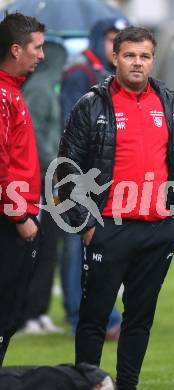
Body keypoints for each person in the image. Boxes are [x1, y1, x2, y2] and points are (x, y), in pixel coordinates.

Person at [58, 26, 174, 389]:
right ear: (115, 57)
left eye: (145, 56)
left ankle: (127, 386)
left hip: (156, 230)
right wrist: (86, 223)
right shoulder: (92, 104)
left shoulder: (169, 105)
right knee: (94, 318)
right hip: (107, 228)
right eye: (130, 55)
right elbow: (66, 169)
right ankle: (87, 384)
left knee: (140, 319)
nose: (137, 62)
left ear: (152, 60)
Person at [60, 17, 128, 337]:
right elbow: (72, 125)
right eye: (112, 39)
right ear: (99, 38)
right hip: (79, 172)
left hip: (102, 173)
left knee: (98, 245)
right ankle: (81, 317)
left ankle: (101, 315)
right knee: (80, 245)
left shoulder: (108, 75)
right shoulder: (80, 72)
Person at [0, 12, 45, 364]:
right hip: (10, 220)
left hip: (18, 214)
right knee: (5, 313)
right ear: (16, 50)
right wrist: (20, 216)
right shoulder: (2, 95)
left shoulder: (12, 91)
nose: (41, 55)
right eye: (37, 48)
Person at [18, 37, 67, 334]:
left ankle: (39, 311)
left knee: (50, 246)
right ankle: (28, 313)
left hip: (48, 178)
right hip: (40, 181)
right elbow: (34, 138)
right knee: (39, 247)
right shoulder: (38, 91)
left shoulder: (46, 89)